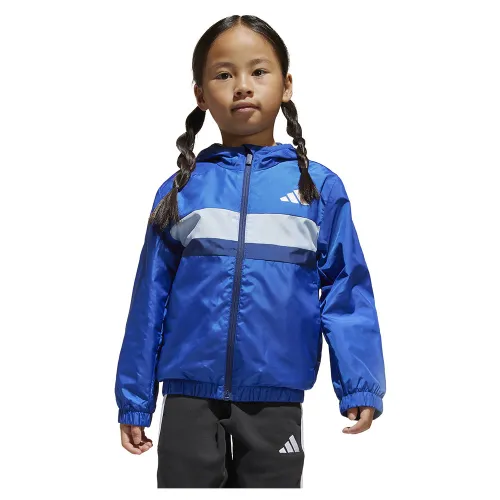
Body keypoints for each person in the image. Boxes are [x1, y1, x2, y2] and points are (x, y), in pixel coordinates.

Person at [114, 14, 386, 488]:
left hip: (275, 398)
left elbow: (346, 289)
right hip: (187, 399)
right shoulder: (180, 191)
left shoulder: (318, 189)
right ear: (201, 94)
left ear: (286, 85)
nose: (242, 85)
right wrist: (135, 400)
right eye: (224, 74)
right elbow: (149, 301)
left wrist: (359, 383)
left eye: (259, 71)